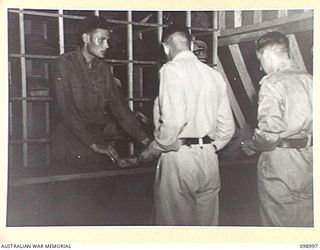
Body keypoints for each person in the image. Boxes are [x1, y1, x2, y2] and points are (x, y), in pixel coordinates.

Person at [139, 25, 235, 225]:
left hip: (179, 156)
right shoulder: (214, 75)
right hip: (209, 159)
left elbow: (173, 121)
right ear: (191, 44)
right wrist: (211, 147)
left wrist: (155, 148)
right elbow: (227, 128)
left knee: (175, 231)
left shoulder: (171, 69)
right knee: (206, 229)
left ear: (165, 47)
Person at [51, 15, 150, 165]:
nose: (107, 46)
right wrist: (92, 144)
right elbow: (67, 110)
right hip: (69, 141)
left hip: (97, 140)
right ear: (86, 38)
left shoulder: (103, 68)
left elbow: (119, 107)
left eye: (107, 40)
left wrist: (146, 140)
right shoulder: (64, 64)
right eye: (101, 40)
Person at [241, 31, 313, 227]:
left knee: (278, 226)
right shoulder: (311, 80)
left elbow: (269, 134)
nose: (260, 67)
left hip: (281, 163)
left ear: (267, 55)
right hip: (310, 160)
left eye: (260, 60)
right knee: (306, 224)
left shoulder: (272, 83)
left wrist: (252, 145)